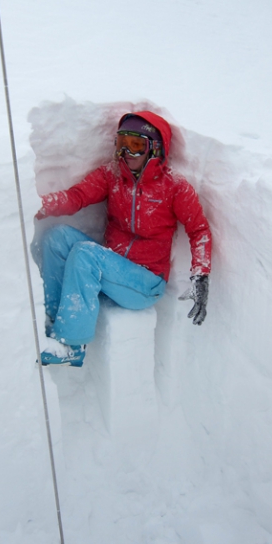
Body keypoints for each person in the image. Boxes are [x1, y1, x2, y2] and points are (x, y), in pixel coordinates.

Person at [34, 111, 212, 367]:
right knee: (57, 237)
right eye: (122, 144)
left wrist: (201, 276)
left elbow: (199, 230)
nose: (126, 153)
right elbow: (78, 196)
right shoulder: (112, 176)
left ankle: (71, 345)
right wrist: (43, 205)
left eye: (136, 145)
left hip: (145, 283)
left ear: (155, 149)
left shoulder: (174, 187)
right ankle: (54, 317)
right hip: (114, 268)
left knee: (85, 254)